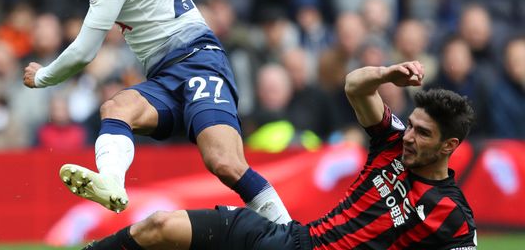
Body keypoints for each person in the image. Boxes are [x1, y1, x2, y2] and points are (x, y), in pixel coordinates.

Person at [22, 0, 290, 223]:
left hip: (199, 61)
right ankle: (111, 183)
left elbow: (84, 51)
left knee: (224, 163)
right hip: (164, 75)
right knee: (116, 109)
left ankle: (289, 232)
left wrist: (42, 76)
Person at [84, 61, 477, 250]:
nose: (409, 137)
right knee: (159, 226)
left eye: (422, 133)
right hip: (293, 240)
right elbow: (354, 86)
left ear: (449, 147)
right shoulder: (391, 141)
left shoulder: (451, 214)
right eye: (410, 125)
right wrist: (386, 73)